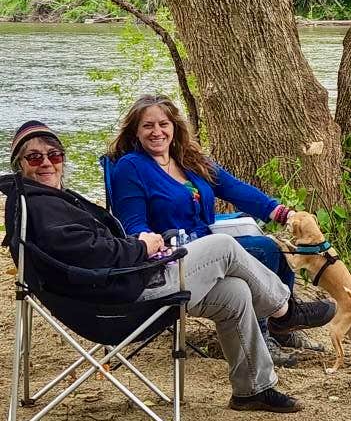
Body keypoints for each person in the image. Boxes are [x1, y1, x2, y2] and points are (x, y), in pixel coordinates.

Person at [5, 120, 327, 414]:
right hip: (120, 297)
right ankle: (285, 313)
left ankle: (253, 389)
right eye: (34, 158)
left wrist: (277, 211)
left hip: (119, 284)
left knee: (234, 293)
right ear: (19, 165)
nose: (46, 163)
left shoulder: (46, 200)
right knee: (225, 247)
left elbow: (231, 187)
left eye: (54, 155)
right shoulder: (43, 207)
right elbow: (94, 253)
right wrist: (141, 245)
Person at [106, 94, 332, 367]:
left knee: (275, 247)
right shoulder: (131, 167)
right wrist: (147, 240)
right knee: (264, 250)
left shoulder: (188, 159)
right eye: (148, 126)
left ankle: (280, 327)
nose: (157, 132)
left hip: (207, 241)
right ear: (135, 131)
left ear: (174, 126)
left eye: (163, 124)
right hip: (172, 255)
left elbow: (235, 189)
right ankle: (266, 334)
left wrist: (282, 213)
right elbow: (132, 223)